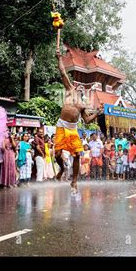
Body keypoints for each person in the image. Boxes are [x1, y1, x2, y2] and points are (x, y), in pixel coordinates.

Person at [54, 51, 102, 194]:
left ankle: (74, 180)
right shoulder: (70, 90)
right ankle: (62, 169)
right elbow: (63, 73)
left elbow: (87, 120)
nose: (81, 88)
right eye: (79, 86)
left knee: (76, 155)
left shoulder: (83, 105)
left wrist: (97, 113)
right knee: (57, 154)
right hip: (61, 125)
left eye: (83, 88)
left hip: (73, 128)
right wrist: (59, 59)